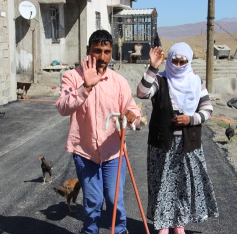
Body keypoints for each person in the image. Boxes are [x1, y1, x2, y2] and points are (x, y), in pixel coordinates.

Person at [56, 29, 141, 234]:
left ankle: (119, 231)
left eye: (106, 52)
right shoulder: (72, 77)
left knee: (114, 199)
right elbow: (62, 107)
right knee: (92, 201)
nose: (102, 57)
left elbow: (133, 112)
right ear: (88, 50)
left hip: (113, 151)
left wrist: (131, 117)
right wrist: (85, 87)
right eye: (97, 51)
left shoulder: (118, 81)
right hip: (85, 153)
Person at [137, 42, 219, 234]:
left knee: (183, 186)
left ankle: (179, 226)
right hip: (162, 146)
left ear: (189, 61)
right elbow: (141, 93)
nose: (179, 65)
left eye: (183, 61)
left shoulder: (196, 82)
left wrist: (190, 119)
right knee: (162, 186)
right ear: (170, 59)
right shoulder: (160, 79)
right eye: (175, 60)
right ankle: (163, 226)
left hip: (187, 145)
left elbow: (207, 111)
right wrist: (153, 67)